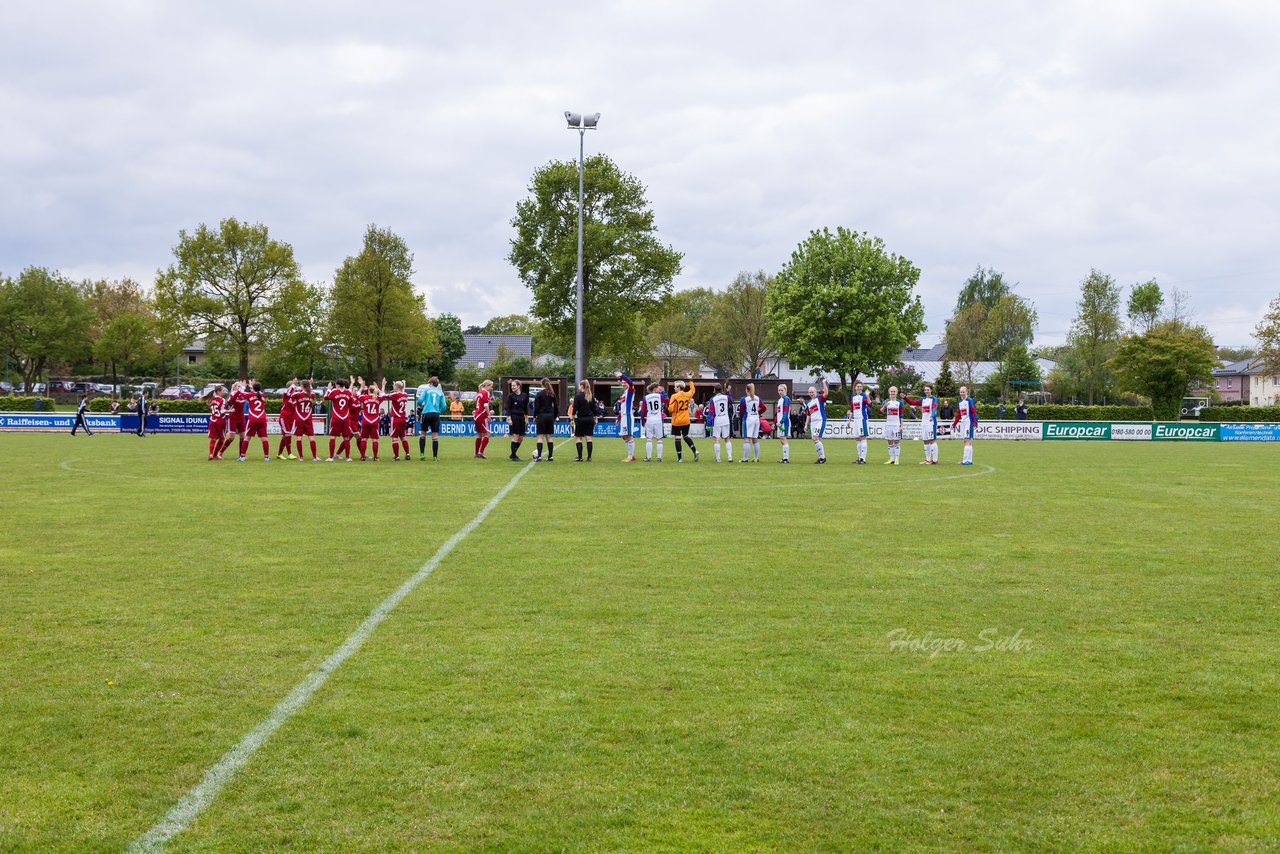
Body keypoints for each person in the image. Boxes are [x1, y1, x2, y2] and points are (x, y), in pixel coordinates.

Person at [666, 378, 698, 462]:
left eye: (675, 387)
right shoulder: (687, 395)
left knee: (677, 438)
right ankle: (695, 451)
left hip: (677, 420)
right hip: (686, 419)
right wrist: (690, 380)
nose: (674, 388)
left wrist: (668, 407)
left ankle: (680, 458)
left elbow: (671, 409)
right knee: (686, 436)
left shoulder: (674, 396)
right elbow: (693, 390)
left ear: (679, 387)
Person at [879, 386, 913, 466]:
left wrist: (901, 426)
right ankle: (891, 459)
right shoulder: (886, 401)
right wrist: (884, 406)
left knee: (896, 441)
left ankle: (897, 459)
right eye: (891, 391)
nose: (892, 393)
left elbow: (901, 415)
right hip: (888, 424)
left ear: (896, 392)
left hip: (896, 425)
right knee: (889, 442)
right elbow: (880, 412)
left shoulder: (899, 402)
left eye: (894, 391)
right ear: (889, 392)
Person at [324, 379, 356, 461]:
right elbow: (352, 402)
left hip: (336, 418)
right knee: (346, 438)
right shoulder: (348, 392)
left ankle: (331, 457)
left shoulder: (334, 392)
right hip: (345, 418)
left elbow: (326, 397)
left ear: (337, 385)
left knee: (332, 437)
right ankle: (348, 457)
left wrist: (328, 389)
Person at [381, 380, 413, 460]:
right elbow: (402, 391)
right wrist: (403, 384)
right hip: (403, 418)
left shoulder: (394, 395)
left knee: (394, 438)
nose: (393, 387)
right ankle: (407, 453)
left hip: (396, 418)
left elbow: (383, 395)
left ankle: (397, 456)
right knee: (403, 437)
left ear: (397, 387)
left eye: (394, 386)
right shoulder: (405, 395)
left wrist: (383, 385)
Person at [239, 382, 270, 461]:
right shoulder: (263, 395)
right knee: (264, 438)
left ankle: (242, 456)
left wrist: (243, 386)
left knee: (247, 437)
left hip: (253, 418)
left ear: (253, 388)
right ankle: (266, 457)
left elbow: (241, 394)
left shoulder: (250, 395)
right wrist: (252, 387)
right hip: (262, 418)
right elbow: (258, 394)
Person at [417, 377, 446, 460]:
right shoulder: (440, 393)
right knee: (435, 435)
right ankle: (435, 456)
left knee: (423, 434)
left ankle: (422, 454)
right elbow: (444, 406)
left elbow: (419, 400)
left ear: (431, 383)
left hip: (426, 413)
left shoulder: (426, 390)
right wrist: (439, 412)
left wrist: (421, 405)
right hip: (435, 414)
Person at [355, 377, 382, 461]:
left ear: (368, 391)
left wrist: (362, 387)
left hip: (365, 421)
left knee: (364, 438)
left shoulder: (364, 397)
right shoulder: (378, 398)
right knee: (375, 439)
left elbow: (357, 394)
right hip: (374, 421)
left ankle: (363, 456)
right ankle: (375, 457)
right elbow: (383, 394)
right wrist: (378, 389)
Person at [613, 371, 638, 462]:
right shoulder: (624, 393)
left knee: (629, 435)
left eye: (624, 382)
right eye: (622, 382)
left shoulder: (630, 390)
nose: (623, 384)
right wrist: (618, 418)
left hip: (627, 415)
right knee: (624, 436)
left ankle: (630, 456)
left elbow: (631, 383)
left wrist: (622, 375)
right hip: (623, 416)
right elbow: (622, 407)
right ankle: (632, 455)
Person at [571, 379, 598, 461]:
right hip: (590, 419)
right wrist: (595, 418)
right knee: (588, 437)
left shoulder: (578, 396)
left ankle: (580, 457)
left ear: (582, 386)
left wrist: (572, 418)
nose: (579, 387)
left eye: (579, 385)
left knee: (578, 438)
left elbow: (575, 408)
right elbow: (594, 408)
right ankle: (589, 457)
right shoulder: (590, 396)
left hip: (581, 419)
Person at [532, 377, 558, 462]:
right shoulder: (552, 394)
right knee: (549, 437)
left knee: (540, 437)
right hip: (550, 416)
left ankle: (539, 457)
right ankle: (550, 456)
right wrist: (555, 416)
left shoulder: (539, 394)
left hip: (541, 416)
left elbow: (536, 407)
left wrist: (534, 416)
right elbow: (556, 407)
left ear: (542, 384)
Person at [292, 380, 320, 461]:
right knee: (311, 437)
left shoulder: (298, 394)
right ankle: (314, 457)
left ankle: (301, 457)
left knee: (299, 437)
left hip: (299, 418)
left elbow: (290, 394)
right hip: (308, 418)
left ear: (302, 386)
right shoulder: (312, 395)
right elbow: (309, 391)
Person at [640, 381, 667, 462]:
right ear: (655, 388)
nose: (659, 389)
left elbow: (643, 410)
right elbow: (667, 400)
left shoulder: (646, 397)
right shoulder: (660, 396)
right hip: (658, 420)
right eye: (658, 388)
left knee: (649, 439)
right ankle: (659, 457)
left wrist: (643, 420)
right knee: (659, 439)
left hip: (650, 419)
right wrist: (664, 392)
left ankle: (648, 457)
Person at [952, 385, 978, 465]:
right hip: (963, 423)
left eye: (963, 392)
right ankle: (969, 460)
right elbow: (959, 414)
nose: (962, 393)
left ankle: (965, 460)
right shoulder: (960, 402)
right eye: (961, 392)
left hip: (968, 422)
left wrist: (975, 422)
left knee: (967, 440)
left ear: (966, 392)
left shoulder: (969, 400)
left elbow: (973, 411)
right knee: (967, 441)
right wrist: (954, 423)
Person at [803, 381, 828, 463]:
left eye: (812, 392)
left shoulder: (820, 398)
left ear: (816, 392)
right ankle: (821, 457)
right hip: (813, 423)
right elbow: (808, 415)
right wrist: (806, 425)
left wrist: (824, 383)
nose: (811, 393)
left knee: (815, 438)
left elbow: (826, 393)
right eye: (810, 392)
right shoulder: (809, 403)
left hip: (820, 420)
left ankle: (822, 458)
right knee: (816, 439)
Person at [505, 380, 530, 461]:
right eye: (512, 386)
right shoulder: (510, 396)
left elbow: (525, 408)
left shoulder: (525, 396)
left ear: (519, 386)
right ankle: (514, 456)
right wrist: (509, 418)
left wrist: (526, 418)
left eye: (514, 385)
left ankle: (513, 454)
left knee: (521, 438)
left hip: (521, 418)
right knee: (515, 436)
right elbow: (508, 409)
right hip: (514, 417)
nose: (512, 387)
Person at [846, 380, 871, 464]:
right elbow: (852, 410)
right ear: (855, 388)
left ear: (862, 388)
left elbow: (870, 405)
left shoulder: (864, 396)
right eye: (858, 387)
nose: (859, 388)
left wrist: (868, 396)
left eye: (861, 387)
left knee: (863, 437)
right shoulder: (853, 397)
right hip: (855, 420)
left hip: (862, 419)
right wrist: (849, 420)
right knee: (857, 438)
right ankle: (859, 458)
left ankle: (863, 459)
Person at [917, 383, 941, 465]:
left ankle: (935, 460)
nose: (926, 391)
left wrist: (932, 415)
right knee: (925, 441)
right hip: (924, 422)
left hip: (931, 423)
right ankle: (927, 460)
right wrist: (905, 397)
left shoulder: (934, 399)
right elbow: (913, 402)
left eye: (928, 390)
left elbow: (934, 407)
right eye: (925, 390)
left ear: (931, 390)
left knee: (932, 440)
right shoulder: (922, 399)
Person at [739, 383, 762, 462]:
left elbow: (741, 410)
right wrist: (758, 412)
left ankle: (745, 458)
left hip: (748, 419)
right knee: (755, 438)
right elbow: (764, 408)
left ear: (746, 390)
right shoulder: (757, 398)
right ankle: (756, 458)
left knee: (747, 438)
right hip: (756, 419)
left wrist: (742, 417)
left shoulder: (744, 399)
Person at [709, 383, 733, 462]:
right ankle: (729, 457)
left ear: (715, 390)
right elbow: (731, 401)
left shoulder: (713, 399)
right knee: (727, 438)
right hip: (725, 419)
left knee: (716, 438)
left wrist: (709, 422)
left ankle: (718, 458)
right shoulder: (726, 397)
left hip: (717, 420)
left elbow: (711, 412)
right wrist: (728, 392)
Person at [276, 378, 298, 460]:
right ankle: (289, 454)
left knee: (285, 436)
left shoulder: (294, 398)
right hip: (284, 418)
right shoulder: (286, 395)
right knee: (288, 434)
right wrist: (293, 384)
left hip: (290, 418)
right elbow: (289, 390)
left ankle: (279, 454)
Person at [203, 385, 227, 460]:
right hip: (220, 421)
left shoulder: (211, 399)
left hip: (212, 420)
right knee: (222, 439)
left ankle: (210, 454)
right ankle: (215, 455)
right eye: (223, 391)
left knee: (213, 439)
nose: (224, 392)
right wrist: (230, 411)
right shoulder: (222, 400)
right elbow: (222, 411)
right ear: (218, 392)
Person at [473, 380, 493, 459]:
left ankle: (476, 453)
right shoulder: (486, 392)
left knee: (479, 435)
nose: (491, 388)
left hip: (477, 415)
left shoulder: (480, 392)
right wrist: (489, 415)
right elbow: (485, 405)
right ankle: (480, 452)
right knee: (487, 434)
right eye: (491, 386)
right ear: (487, 385)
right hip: (482, 416)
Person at [774, 384, 791, 463]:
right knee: (781, 439)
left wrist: (781, 422)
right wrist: (775, 422)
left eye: (782, 390)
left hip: (784, 422)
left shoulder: (786, 399)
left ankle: (786, 459)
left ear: (785, 390)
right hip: (779, 423)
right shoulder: (780, 400)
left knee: (783, 439)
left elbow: (786, 411)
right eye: (779, 390)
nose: (780, 392)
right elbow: (778, 413)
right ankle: (784, 458)